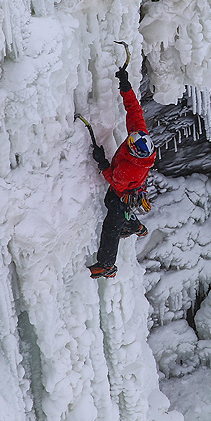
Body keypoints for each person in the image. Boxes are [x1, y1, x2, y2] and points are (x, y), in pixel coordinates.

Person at [86, 65, 156, 279]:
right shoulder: (140, 134)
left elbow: (114, 181)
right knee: (111, 204)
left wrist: (102, 162)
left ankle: (106, 265)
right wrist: (125, 86)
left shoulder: (129, 168)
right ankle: (134, 226)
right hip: (131, 189)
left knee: (111, 226)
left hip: (124, 191)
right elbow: (134, 110)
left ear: (135, 151)